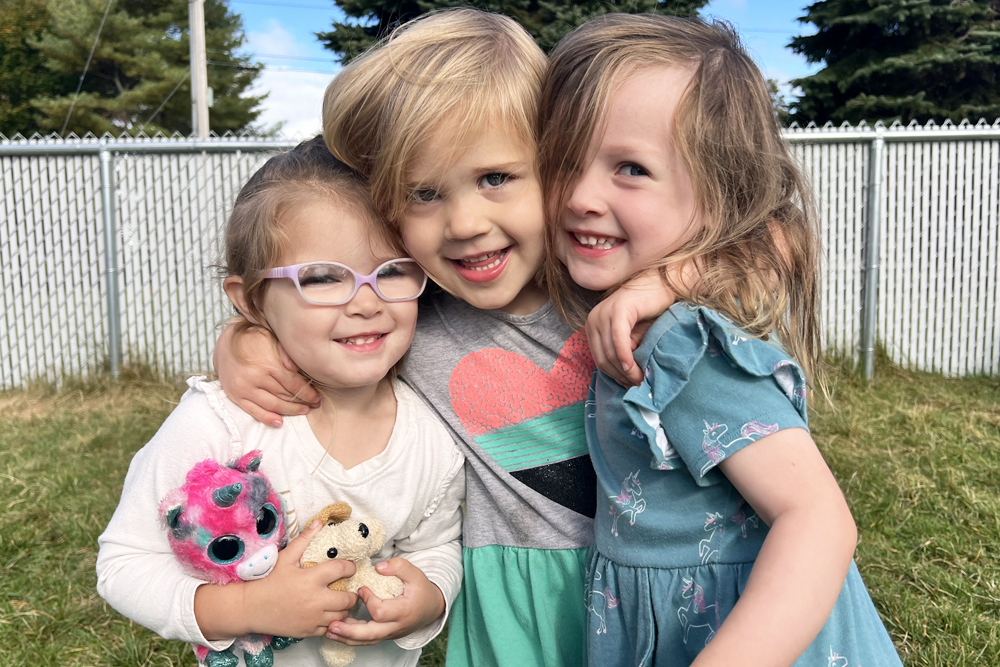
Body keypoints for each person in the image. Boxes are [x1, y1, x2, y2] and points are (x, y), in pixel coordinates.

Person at [212, 10, 680, 667]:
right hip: (509, 614)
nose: (464, 222)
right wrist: (246, 337)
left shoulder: (607, 282)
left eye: (495, 178)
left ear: (555, 167)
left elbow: (764, 238)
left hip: (644, 595)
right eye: (425, 192)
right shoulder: (410, 314)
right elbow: (310, 315)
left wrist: (668, 279)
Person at [537, 14, 904, 667]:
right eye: (563, 160)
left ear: (716, 197)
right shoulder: (638, 309)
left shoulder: (684, 344)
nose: (581, 196)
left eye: (630, 168)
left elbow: (819, 520)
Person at [96, 137, 466, 667]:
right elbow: (124, 563)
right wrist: (248, 606)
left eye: (391, 271)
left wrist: (429, 598)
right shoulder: (220, 421)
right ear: (250, 300)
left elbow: (435, 547)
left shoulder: (430, 437)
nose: (366, 302)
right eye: (321, 277)